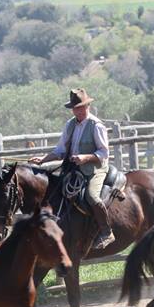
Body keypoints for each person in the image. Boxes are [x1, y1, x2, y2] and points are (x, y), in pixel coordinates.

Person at [28, 88, 115, 249]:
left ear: (87, 106)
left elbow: (104, 152)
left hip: (95, 169)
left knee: (91, 196)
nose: (79, 111)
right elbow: (60, 151)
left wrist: (85, 157)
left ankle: (106, 231)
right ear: (73, 109)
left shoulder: (96, 125)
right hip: (73, 168)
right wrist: (43, 160)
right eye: (76, 108)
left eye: (81, 107)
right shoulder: (70, 125)